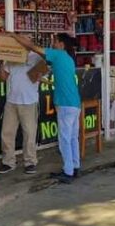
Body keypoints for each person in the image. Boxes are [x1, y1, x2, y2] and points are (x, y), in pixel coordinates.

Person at [11, 33, 81, 184]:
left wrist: (14, 36)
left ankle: (68, 172)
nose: (52, 44)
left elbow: (32, 47)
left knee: (64, 139)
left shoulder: (57, 54)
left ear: (61, 44)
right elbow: (61, 82)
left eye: (54, 41)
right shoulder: (68, 58)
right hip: (74, 103)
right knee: (73, 137)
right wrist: (42, 80)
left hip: (65, 103)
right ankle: (75, 166)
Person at [0, 48, 43, 175]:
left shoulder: (37, 57)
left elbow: (40, 77)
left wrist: (27, 64)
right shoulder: (13, 56)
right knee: (7, 133)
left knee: (29, 133)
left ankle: (30, 162)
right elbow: (3, 77)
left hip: (29, 101)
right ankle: (8, 162)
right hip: (12, 101)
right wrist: (0, 63)